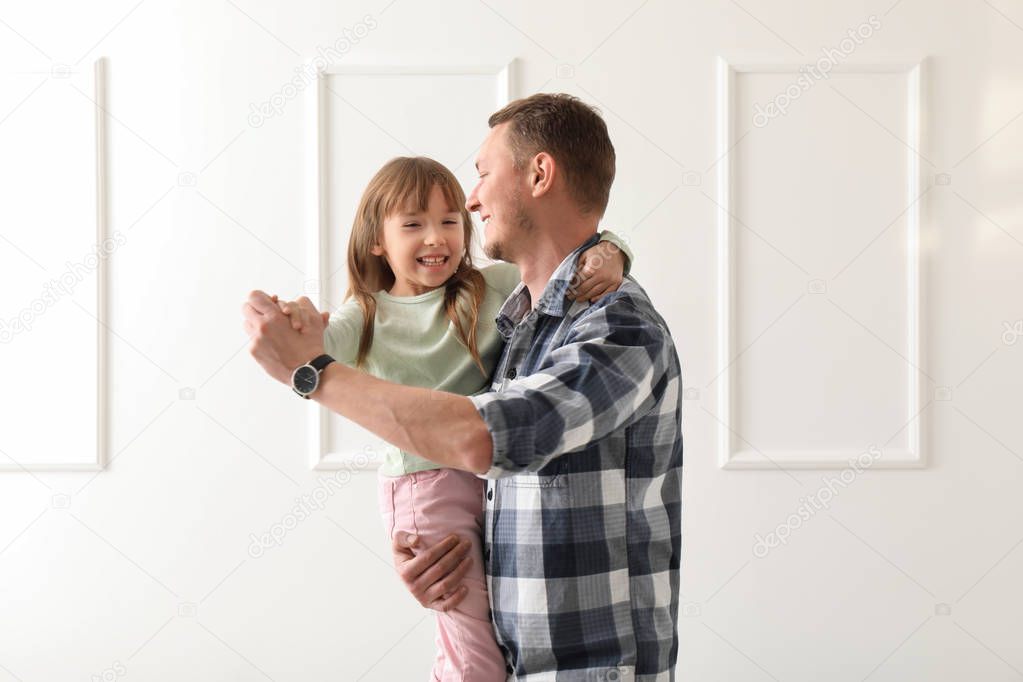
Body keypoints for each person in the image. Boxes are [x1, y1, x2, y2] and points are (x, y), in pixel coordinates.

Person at [244, 93, 684, 680]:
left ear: (538, 173)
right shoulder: (521, 323)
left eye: (480, 174)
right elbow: (498, 479)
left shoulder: (618, 325)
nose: (470, 200)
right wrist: (443, 560)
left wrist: (312, 373)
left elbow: (489, 439)